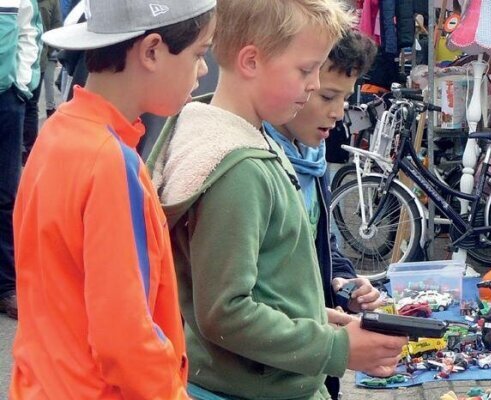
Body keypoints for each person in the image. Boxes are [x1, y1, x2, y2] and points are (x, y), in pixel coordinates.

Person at [146, 1, 406, 398]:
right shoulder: (239, 168)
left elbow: (253, 285)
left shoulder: (227, 134)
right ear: (251, 61)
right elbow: (225, 313)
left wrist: (311, 317)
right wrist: (336, 348)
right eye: (306, 70)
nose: (316, 84)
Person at [9, 0, 215, 397]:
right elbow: (125, 336)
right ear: (152, 51)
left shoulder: (57, 133)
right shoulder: (110, 162)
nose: (203, 70)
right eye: (199, 54)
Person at [261, 30, 379, 400]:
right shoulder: (255, 166)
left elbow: (320, 245)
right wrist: (335, 347)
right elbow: (231, 306)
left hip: (309, 365)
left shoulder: (311, 159)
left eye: (346, 97)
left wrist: (344, 285)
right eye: (327, 95)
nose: (339, 111)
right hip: (269, 375)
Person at [0, 0, 42, 320]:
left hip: (6, 101)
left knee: (5, 194)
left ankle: (5, 286)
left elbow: (31, 33)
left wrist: (20, 85)